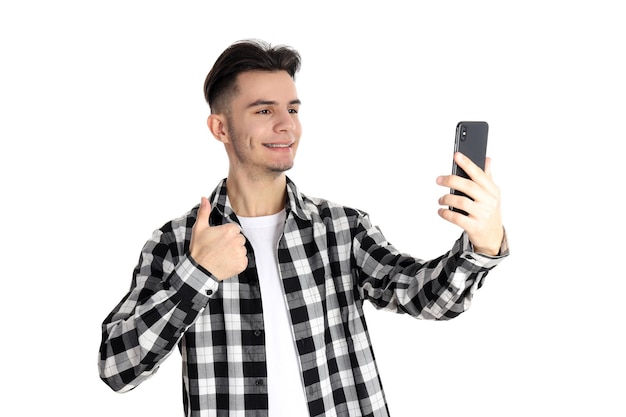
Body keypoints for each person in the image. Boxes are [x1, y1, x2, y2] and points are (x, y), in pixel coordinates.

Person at [98, 39, 508, 417]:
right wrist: (198, 273)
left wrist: (482, 246)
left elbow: (424, 297)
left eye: (292, 109)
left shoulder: (341, 228)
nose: (286, 125)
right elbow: (117, 369)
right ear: (220, 128)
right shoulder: (175, 243)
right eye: (264, 111)